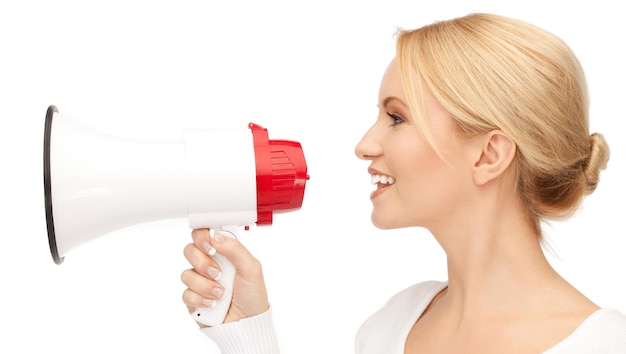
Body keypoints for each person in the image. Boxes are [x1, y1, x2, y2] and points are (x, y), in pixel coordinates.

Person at [180, 12, 626, 353]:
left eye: (396, 117)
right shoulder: (393, 325)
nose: (364, 145)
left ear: (489, 155)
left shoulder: (605, 344)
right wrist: (248, 330)